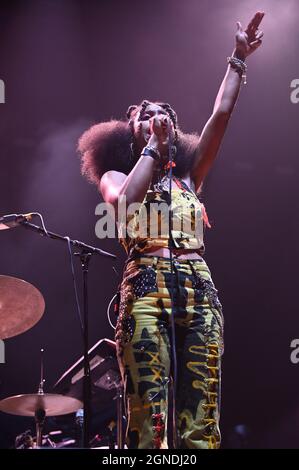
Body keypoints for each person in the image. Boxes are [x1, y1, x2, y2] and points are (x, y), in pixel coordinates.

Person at [78, 11, 264, 449]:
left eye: (166, 115)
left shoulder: (189, 176)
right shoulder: (117, 173)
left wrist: (238, 58)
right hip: (146, 287)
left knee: (202, 423)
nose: (159, 118)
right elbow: (124, 208)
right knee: (149, 421)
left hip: (199, 289)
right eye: (148, 114)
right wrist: (151, 150)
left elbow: (220, 114)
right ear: (132, 124)